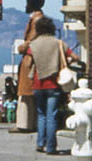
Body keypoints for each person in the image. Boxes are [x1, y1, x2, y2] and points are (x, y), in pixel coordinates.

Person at [26, 17, 78, 154]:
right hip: (54, 84)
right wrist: (66, 62)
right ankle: (50, 147)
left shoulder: (34, 44)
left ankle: (40, 143)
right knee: (51, 115)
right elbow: (75, 57)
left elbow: (28, 64)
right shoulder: (58, 43)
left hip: (38, 83)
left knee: (41, 114)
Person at [10, 0, 45, 134]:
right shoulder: (37, 18)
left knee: (26, 93)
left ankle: (25, 124)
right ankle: (28, 123)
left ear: (31, 4)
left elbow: (31, 40)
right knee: (28, 94)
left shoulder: (36, 20)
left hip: (30, 60)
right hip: (31, 59)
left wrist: (21, 47)